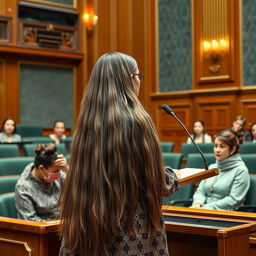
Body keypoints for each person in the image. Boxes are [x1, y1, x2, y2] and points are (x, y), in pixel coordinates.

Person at [59, 52, 179, 256]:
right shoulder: (138, 121)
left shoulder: (87, 122)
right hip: (132, 234)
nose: (139, 82)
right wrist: (173, 177)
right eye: (138, 77)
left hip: (88, 226)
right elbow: (156, 183)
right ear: (129, 79)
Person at [191, 130, 250, 211]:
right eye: (215, 146)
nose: (217, 150)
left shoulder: (241, 171)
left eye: (222, 146)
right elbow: (200, 191)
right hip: (202, 210)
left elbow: (234, 200)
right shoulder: (212, 167)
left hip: (225, 215)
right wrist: (197, 203)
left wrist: (206, 208)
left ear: (232, 149)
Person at [15, 143, 69, 221]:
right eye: (55, 171)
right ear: (41, 168)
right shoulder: (23, 187)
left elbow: (78, 186)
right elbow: (30, 220)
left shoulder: (58, 175)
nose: (58, 174)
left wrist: (66, 167)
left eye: (60, 170)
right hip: (41, 229)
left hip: (61, 224)